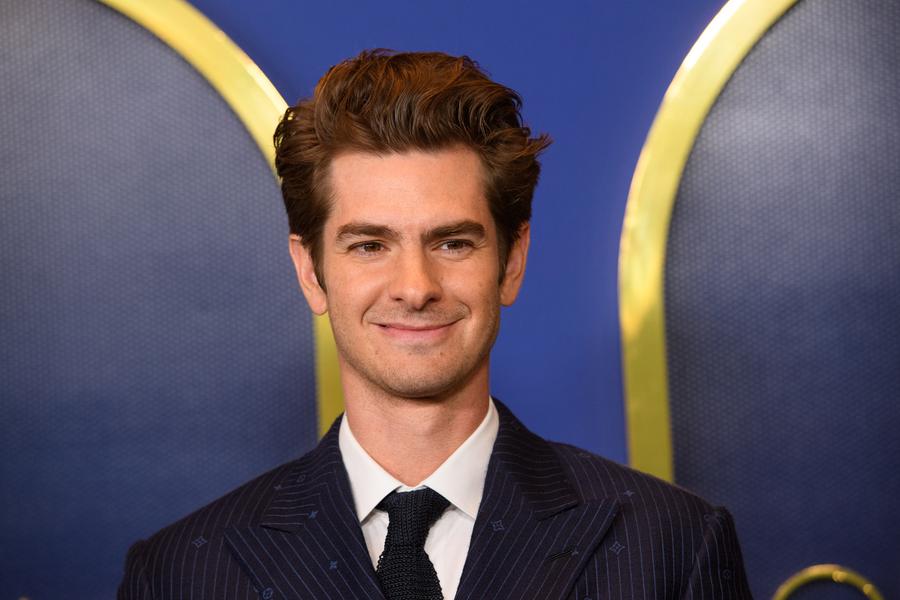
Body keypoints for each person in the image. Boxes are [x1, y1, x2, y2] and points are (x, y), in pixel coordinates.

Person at [118, 49, 751, 600]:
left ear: (512, 262)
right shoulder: (181, 575)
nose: (416, 287)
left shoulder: (672, 546)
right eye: (370, 246)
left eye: (452, 243)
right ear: (310, 271)